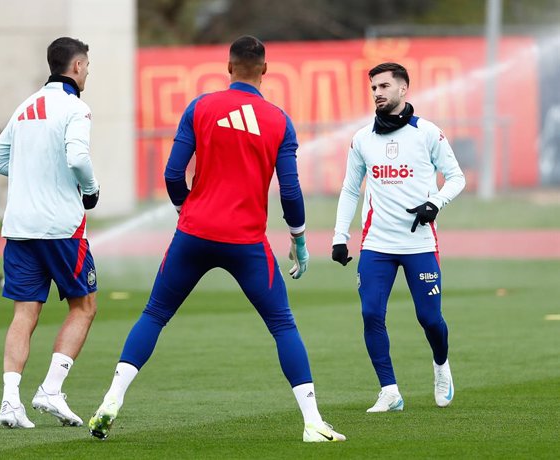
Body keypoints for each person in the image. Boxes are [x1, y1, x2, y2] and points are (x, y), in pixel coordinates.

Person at [88, 35, 346, 443]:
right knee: (282, 324)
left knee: (154, 314)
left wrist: (185, 209)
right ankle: (312, 421)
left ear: (228, 68)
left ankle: (111, 399)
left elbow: (174, 174)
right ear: (265, 70)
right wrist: (298, 239)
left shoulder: (200, 107)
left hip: (193, 234)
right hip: (246, 243)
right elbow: (291, 191)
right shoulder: (279, 120)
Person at [331, 62, 465, 412]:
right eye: (374, 87)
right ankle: (389, 391)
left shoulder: (427, 133)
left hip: (419, 244)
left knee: (429, 319)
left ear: (403, 89)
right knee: (371, 313)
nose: (377, 92)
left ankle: (441, 366)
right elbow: (349, 189)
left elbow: (456, 177)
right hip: (376, 245)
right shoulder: (362, 139)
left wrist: (435, 203)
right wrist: (339, 236)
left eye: (385, 86)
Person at [0, 37, 100, 429]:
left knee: (24, 312)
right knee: (84, 306)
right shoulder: (76, 108)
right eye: (87, 64)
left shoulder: (25, 106)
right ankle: (51, 390)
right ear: (77, 66)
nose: (88, 70)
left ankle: (9, 402)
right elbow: (78, 158)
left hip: (19, 226)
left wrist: (31, 176)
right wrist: (90, 190)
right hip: (61, 227)